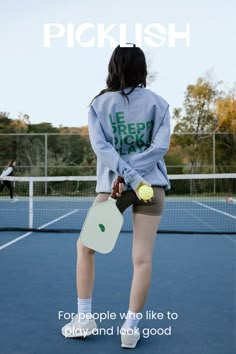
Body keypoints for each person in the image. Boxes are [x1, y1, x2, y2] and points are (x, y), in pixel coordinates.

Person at [61, 44, 171, 349]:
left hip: (115, 189)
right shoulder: (159, 103)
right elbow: (159, 149)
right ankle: (129, 330)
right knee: (142, 259)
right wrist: (137, 177)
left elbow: (103, 150)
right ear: (142, 68)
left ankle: (84, 320)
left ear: (113, 67)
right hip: (151, 189)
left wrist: (124, 176)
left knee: (85, 248)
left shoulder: (98, 104)